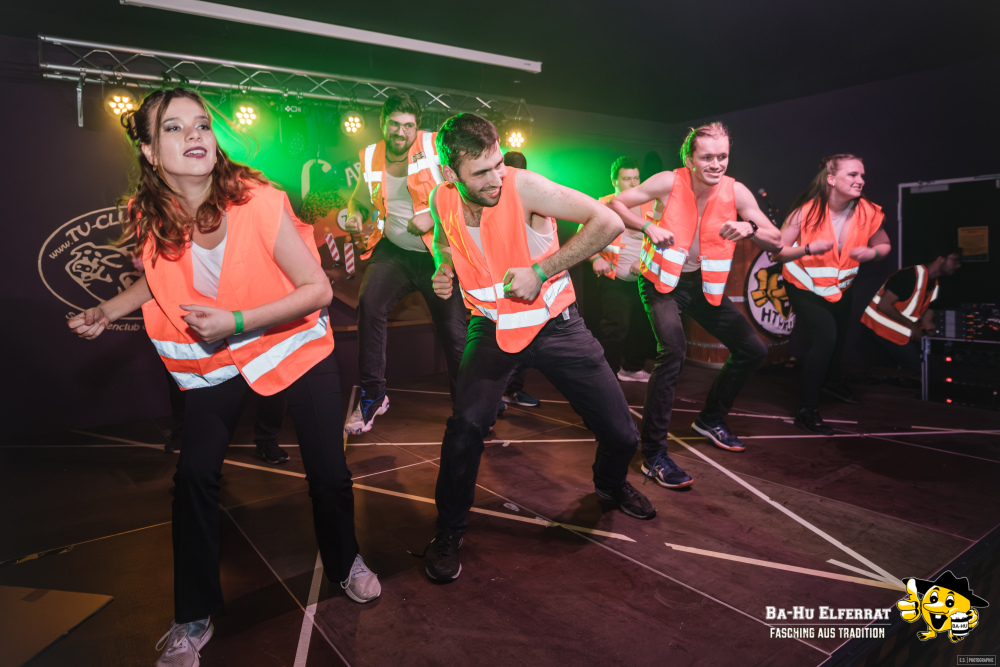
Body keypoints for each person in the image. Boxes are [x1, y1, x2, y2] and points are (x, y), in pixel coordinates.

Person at [67, 88, 380, 666]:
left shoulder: (258, 201)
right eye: (173, 127)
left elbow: (316, 290)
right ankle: (193, 615)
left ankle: (344, 561)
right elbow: (159, 277)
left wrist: (235, 320)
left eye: (202, 124)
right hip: (221, 359)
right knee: (193, 478)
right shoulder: (152, 215)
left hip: (292, 345)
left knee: (329, 474)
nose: (194, 135)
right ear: (149, 151)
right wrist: (108, 310)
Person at [424, 113, 657, 582]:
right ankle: (448, 531)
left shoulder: (524, 186)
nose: (496, 178)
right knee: (464, 429)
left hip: (556, 328)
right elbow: (442, 240)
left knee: (623, 436)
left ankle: (610, 486)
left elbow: (608, 220)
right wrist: (441, 267)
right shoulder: (440, 198)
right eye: (482, 172)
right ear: (450, 174)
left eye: (498, 164)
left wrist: (542, 269)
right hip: (490, 329)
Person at [608, 123, 782, 486]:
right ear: (690, 159)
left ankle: (710, 418)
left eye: (723, 156)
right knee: (673, 351)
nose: (716, 164)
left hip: (702, 286)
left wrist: (750, 228)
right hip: (660, 283)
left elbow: (776, 239)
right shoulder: (667, 182)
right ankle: (653, 454)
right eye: (707, 157)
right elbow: (617, 203)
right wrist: (647, 227)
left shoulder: (736, 190)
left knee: (752, 349)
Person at [344, 93, 467, 435]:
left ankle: (468, 407)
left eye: (408, 126)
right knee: (369, 305)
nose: (401, 132)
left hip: (437, 254)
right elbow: (359, 199)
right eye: (394, 124)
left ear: (418, 126)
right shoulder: (371, 155)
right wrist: (355, 214)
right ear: (382, 123)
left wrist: (433, 214)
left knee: (453, 333)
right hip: (394, 252)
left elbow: (466, 190)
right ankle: (373, 396)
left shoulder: (434, 147)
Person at [771, 154, 891, 434]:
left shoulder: (868, 212)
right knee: (825, 337)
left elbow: (884, 244)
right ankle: (806, 410)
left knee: (837, 340)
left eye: (862, 175)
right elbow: (777, 253)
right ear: (831, 179)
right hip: (804, 285)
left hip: (840, 287)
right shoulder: (804, 213)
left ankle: (833, 383)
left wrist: (872, 253)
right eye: (853, 175)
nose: (860, 180)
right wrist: (807, 249)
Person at [592, 156, 658, 382]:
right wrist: (595, 259)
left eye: (636, 178)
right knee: (615, 328)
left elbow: (663, 241)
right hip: (614, 279)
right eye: (627, 179)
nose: (633, 183)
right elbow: (582, 238)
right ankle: (607, 376)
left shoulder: (651, 205)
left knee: (644, 326)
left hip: (644, 278)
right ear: (614, 181)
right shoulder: (603, 205)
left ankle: (632, 368)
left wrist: (644, 261)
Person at [861, 248, 961, 373]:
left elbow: (927, 319)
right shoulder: (909, 276)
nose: (958, 265)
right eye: (955, 260)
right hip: (880, 327)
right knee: (916, 367)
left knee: (928, 362)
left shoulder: (935, 285)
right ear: (940, 259)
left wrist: (932, 331)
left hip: (902, 330)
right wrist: (911, 325)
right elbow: (884, 305)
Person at [498, 149, 540, 408]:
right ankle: (498, 394)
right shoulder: (491, 197)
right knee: (500, 341)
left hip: (523, 278)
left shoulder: (531, 196)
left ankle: (511, 391)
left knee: (523, 338)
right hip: (500, 279)